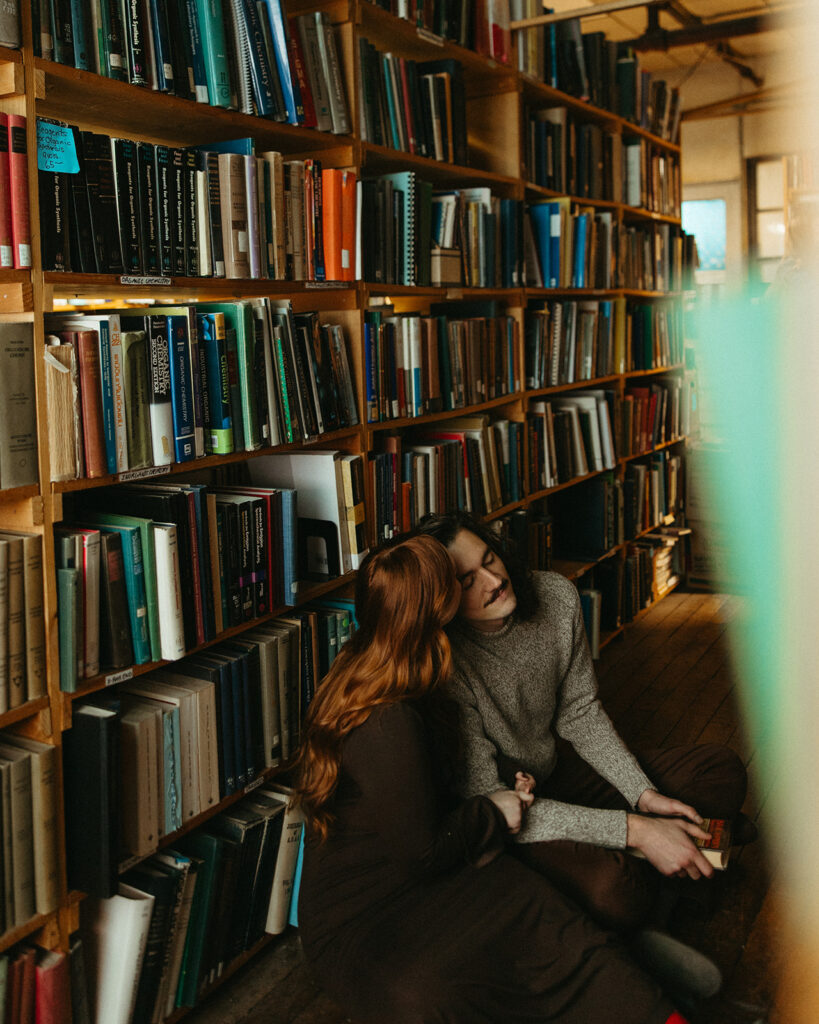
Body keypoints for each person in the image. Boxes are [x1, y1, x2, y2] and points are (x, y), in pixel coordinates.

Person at [294, 534, 695, 1024]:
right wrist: (495, 809)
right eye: (458, 586)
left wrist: (506, 782)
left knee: (555, 926)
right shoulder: (389, 715)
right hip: (374, 904)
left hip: (447, 851)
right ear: (433, 612)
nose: (485, 585)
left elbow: (434, 778)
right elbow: (422, 851)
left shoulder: (397, 665)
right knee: (476, 970)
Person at [416, 510, 751, 933]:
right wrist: (638, 830)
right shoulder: (446, 663)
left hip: (559, 770)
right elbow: (491, 802)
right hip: (514, 811)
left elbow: (579, 711)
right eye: (467, 581)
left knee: (720, 771)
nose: (493, 580)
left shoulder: (555, 596)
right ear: (442, 600)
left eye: (489, 559)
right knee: (616, 889)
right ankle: (668, 881)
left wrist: (642, 795)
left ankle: (659, 883)